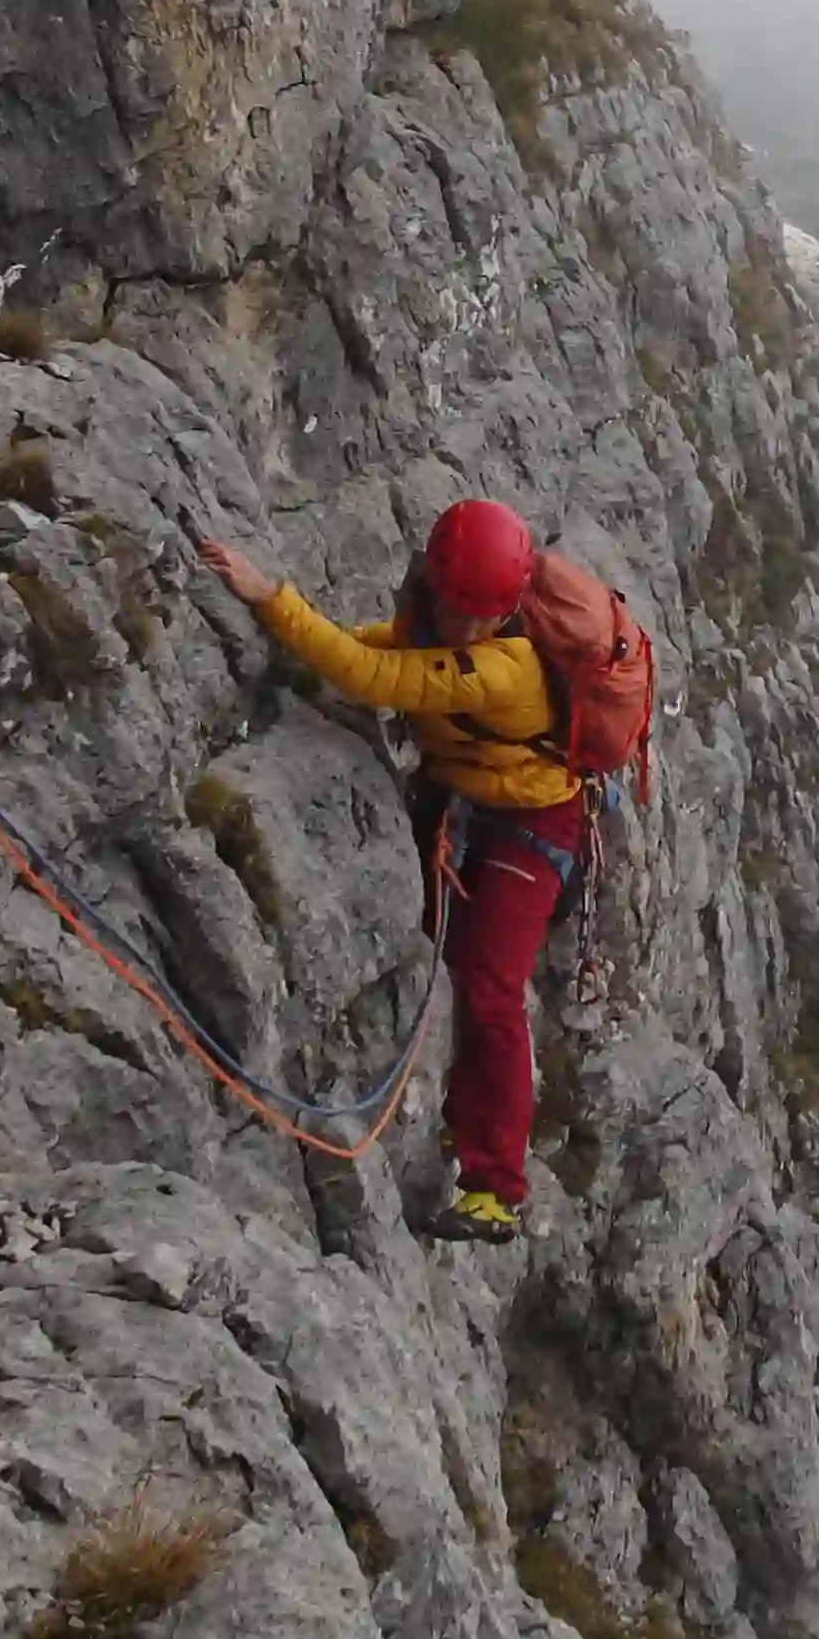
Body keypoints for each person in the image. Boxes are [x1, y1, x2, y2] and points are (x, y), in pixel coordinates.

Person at [193, 495, 583, 1247]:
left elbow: (377, 676)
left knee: (492, 985)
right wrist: (299, 643)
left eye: (482, 616)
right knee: (432, 942)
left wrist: (274, 600)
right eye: (456, 610)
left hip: (534, 822)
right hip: (463, 794)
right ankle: (446, 1109)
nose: (465, 627)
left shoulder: (508, 666)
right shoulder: (444, 619)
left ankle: (496, 1186)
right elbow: (382, 651)